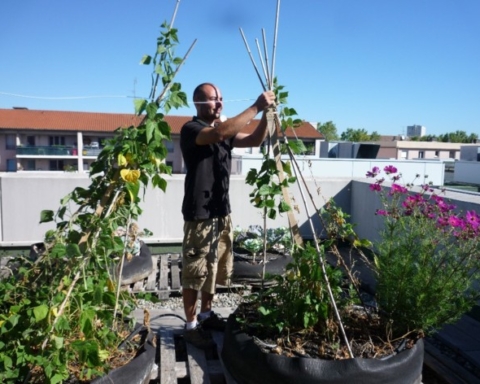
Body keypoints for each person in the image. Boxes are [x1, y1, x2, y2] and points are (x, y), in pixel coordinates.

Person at [180, 83, 275, 349]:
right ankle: (190, 327)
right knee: (195, 270)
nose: (219, 103)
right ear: (198, 102)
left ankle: (207, 315)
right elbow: (220, 132)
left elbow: (255, 140)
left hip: (221, 210)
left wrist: (267, 117)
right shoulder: (192, 130)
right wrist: (256, 106)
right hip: (200, 213)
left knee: (214, 267)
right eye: (213, 99)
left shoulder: (224, 131)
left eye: (221, 98)